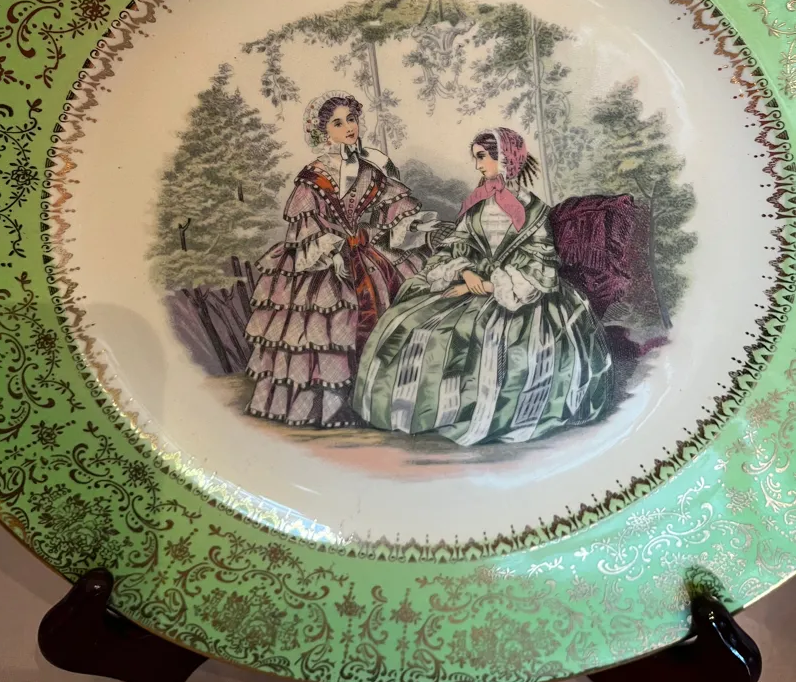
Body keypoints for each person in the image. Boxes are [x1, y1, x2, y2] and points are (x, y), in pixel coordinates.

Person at [353, 127, 614, 446]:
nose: (477, 165)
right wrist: (465, 274)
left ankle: (479, 412)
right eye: (475, 158)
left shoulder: (533, 210)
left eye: (482, 157)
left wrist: (489, 286)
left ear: (505, 158)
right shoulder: (476, 203)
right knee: (404, 321)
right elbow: (456, 244)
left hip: (519, 293)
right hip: (471, 280)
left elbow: (541, 264)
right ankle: (416, 411)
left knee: (486, 336)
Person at [244, 90, 436, 428]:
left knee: (392, 306)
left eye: (351, 119)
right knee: (327, 327)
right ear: (323, 132)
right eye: (337, 122)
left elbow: (389, 213)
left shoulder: (371, 168)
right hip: (324, 262)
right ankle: (330, 407)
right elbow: (308, 230)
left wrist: (409, 226)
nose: (349, 126)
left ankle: (379, 399)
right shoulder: (313, 176)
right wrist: (333, 251)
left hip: (366, 255)